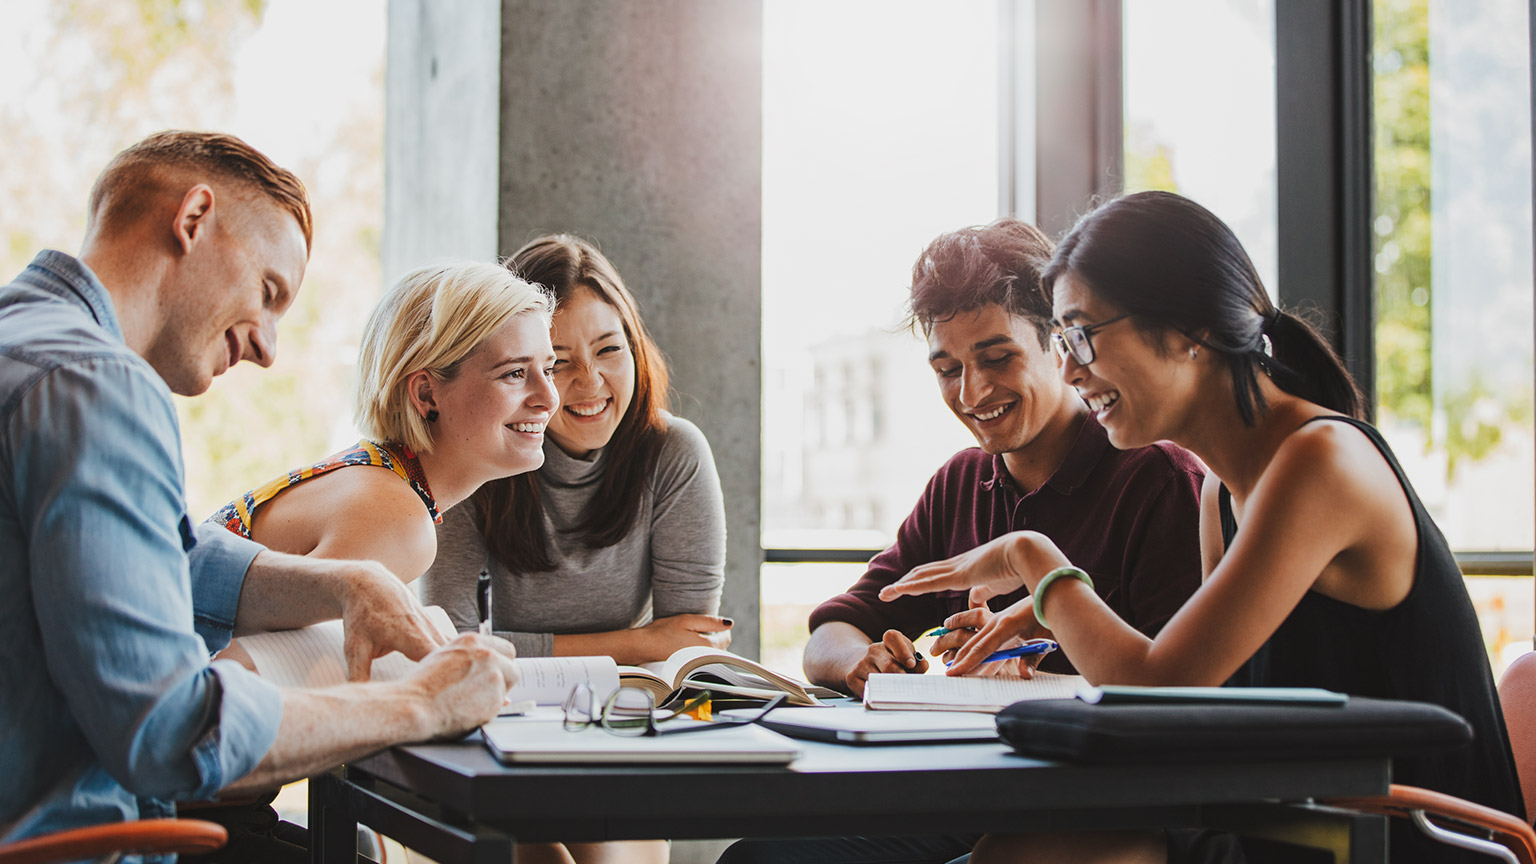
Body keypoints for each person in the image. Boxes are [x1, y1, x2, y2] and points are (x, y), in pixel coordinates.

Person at [881, 191, 1523, 864]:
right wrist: (1052, 620)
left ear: (1191, 330)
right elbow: (1196, 705)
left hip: (1402, 840)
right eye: (1064, 341)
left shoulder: (1319, 463)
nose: (1070, 370)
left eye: (1084, 335)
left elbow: (1155, 692)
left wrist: (1032, 559)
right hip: (1296, 826)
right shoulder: (1224, 488)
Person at [0, 131, 519, 854]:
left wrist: (347, 584)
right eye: (269, 293)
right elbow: (172, 732)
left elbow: (163, 560)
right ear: (194, 220)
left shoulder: (24, 345)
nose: (269, 347)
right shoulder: (98, 388)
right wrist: (417, 703)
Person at [717, 218, 1206, 864]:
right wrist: (862, 665)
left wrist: (1046, 663)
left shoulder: (1155, 479)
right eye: (948, 369)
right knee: (757, 860)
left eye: (998, 358)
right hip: (970, 801)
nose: (972, 393)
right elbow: (830, 633)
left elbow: (1183, 700)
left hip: (1103, 812)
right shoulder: (961, 483)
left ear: (1059, 345)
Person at [422, 234, 727, 864]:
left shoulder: (674, 453)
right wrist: (638, 642)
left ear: (635, 347)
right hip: (498, 725)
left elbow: (687, 656)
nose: (589, 382)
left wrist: (647, 653)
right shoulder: (477, 455)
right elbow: (449, 648)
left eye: (609, 349)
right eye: (557, 361)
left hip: (625, 724)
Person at [208, 259, 558, 583]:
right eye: (514, 373)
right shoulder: (397, 520)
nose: (549, 398)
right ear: (425, 394)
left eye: (549, 370)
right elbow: (242, 651)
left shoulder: (380, 480)